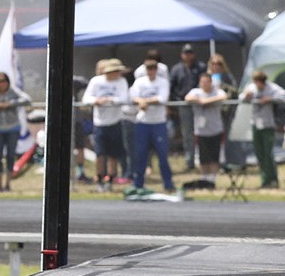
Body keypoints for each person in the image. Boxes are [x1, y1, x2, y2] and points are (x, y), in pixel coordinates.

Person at [82, 58, 130, 192]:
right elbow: (86, 98)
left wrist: (110, 100)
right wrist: (97, 100)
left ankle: (111, 178)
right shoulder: (96, 81)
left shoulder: (121, 82)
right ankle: (100, 178)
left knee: (113, 154)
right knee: (100, 153)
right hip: (100, 123)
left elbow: (124, 99)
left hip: (115, 122)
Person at [129, 56, 174, 194]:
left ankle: (168, 183)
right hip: (143, 122)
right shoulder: (139, 82)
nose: (151, 71)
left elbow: (162, 98)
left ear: (157, 69)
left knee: (162, 154)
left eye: (154, 68)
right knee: (140, 154)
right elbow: (133, 97)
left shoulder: (163, 82)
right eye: (149, 68)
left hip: (158, 122)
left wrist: (144, 102)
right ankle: (138, 184)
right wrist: (140, 102)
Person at [241, 70, 285, 189]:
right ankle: (265, 180)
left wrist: (270, 99)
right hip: (255, 124)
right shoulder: (251, 87)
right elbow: (241, 97)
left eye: (260, 82)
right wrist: (246, 97)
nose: (258, 84)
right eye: (256, 82)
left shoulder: (271, 88)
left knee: (268, 154)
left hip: (268, 125)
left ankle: (272, 180)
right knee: (259, 154)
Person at [184, 73, 228, 189]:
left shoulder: (217, 91)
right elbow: (187, 98)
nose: (205, 84)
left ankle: (212, 180)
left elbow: (224, 97)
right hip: (201, 131)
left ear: (210, 82)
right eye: (202, 81)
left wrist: (206, 101)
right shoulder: (196, 92)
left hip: (216, 129)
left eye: (207, 82)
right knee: (203, 157)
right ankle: (205, 179)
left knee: (214, 156)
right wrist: (199, 100)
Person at [169, 44, 205, 171]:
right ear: (182, 54)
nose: (188, 55)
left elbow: (205, 84)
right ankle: (190, 161)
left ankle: (203, 160)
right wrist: (176, 102)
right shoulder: (176, 69)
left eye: (190, 52)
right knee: (187, 133)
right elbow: (171, 87)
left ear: (194, 54)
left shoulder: (201, 67)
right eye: (185, 53)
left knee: (202, 131)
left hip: (200, 104)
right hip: (183, 105)